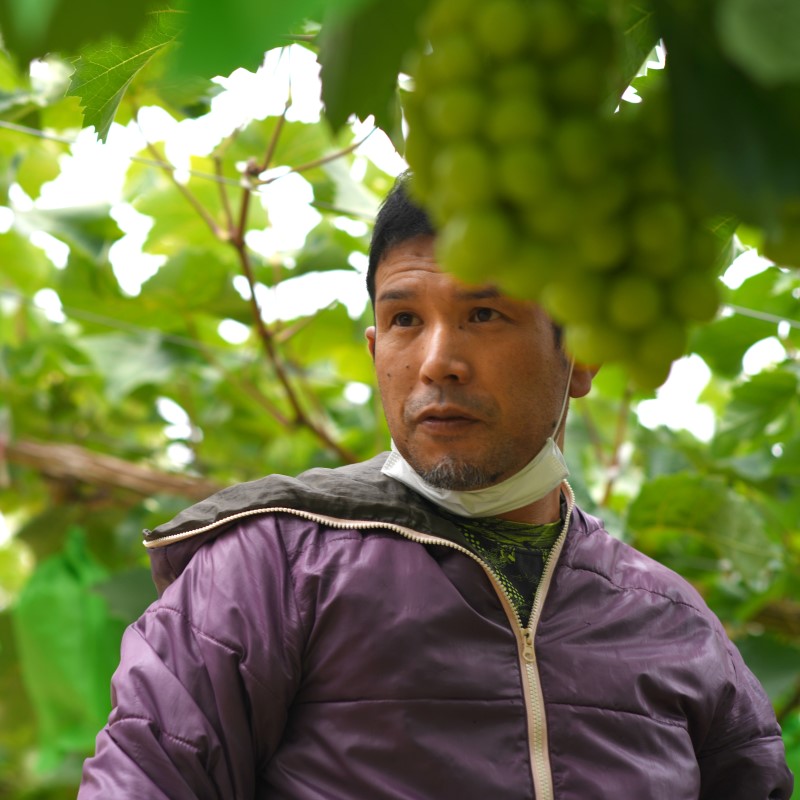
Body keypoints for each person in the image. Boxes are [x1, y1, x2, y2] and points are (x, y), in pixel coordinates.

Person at [79, 174, 793, 799]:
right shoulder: (270, 569)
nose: (437, 361)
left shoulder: (675, 625)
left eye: (485, 314)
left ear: (581, 355)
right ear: (373, 351)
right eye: (404, 321)